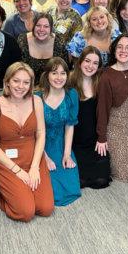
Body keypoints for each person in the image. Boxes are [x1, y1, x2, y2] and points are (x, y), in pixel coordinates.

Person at [0, 62, 54, 222]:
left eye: (26, 82)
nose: (20, 86)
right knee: (26, 212)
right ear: (7, 81)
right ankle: (5, 197)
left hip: (33, 159)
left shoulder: (36, 101)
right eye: (16, 81)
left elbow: (41, 133)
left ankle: (22, 193)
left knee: (46, 209)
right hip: (8, 162)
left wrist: (35, 167)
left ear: (31, 84)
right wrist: (17, 171)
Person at [96, 34, 128, 181]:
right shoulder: (106, 75)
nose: (124, 50)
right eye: (120, 47)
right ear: (114, 50)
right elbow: (102, 108)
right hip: (117, 128)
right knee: (120, 174)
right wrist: (101, 137)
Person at [36, 57, 81, 206]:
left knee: (71, 188)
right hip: (40, 146)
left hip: (62, 145)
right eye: (54, 73)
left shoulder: (72, 95)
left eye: (63, 73)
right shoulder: (37, 97)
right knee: (50, 191)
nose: (59, 77)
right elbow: (34, 132)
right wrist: (45, 158)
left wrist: (67, 154)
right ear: (47, 75)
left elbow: (69, 126)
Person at [69, 46, 111, 189]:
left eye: (95, 63)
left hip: (94, 142)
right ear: (80, 62)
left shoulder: (101, 83)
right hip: (74, 141)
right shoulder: (69, 83)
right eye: (87, 61)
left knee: (101, 181)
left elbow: (104, 112)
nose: (90, 66)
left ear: (99, 66)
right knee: (80, 182)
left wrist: (102, 138)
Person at [18, 13, 68, 84]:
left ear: (51, 28)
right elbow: (16, 69)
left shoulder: (59, 42)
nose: (42, 29)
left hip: (54, 87)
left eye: (46, 26)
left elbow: (65, 70)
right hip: (27, 87)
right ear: (33, 26)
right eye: (38, 25)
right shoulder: (22, 40)